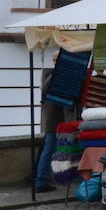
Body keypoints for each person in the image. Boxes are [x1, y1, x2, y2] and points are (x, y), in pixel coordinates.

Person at [33, 51, 71, 193]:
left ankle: (43, 178)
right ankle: (41, 180)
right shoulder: (58, 77)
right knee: (49, 149)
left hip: (52, 119)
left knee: (49, 149)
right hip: (54, 120)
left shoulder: (52, 76)